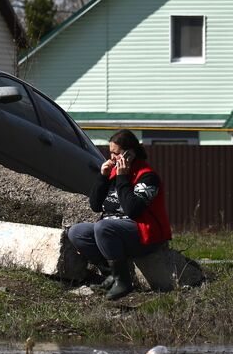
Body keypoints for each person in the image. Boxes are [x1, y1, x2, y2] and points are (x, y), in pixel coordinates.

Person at [65, 129, 170, 301]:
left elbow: (133, 210)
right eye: (110, 153)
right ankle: (111, 274)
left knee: (103, 227)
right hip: (114, 232)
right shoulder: (113, 173)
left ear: (130, 154)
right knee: (77, 232)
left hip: (144, 236)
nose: (112, 158)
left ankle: (123, 281)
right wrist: (103, 177)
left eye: (116, 153)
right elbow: (95, 206)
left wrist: (123, 178)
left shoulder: (147, 177)